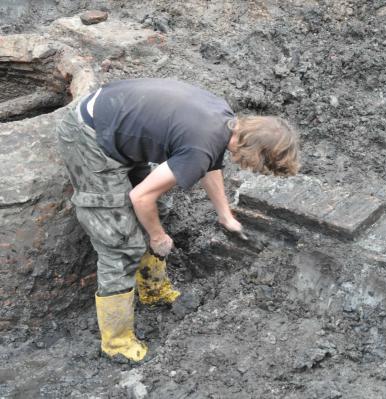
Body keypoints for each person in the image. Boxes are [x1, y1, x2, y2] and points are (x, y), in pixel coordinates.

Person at [56, 78, 299, 363]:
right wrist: (158, 237)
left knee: (160, 208)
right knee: (121, 243)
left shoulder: (224, 121)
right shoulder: (200, 147)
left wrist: (225, 215)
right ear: (255, 152)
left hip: (119, 126)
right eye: (260, 164)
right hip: (89, 135)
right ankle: (117, 342)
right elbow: (141, 198)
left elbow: (211, 164)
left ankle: (151, 288)